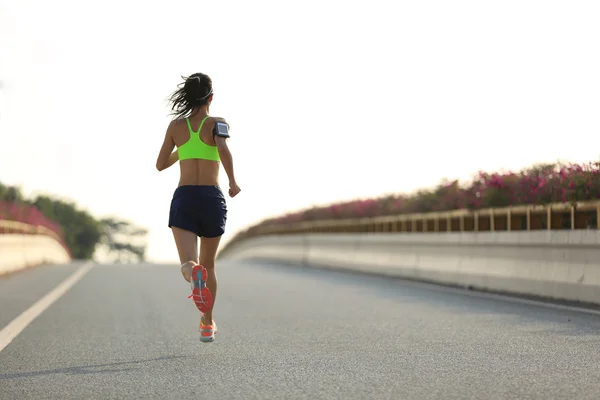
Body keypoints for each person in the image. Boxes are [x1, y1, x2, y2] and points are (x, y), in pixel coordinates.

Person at [155, 72, 241, 343]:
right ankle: (206, 324)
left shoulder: (175, 127)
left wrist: (184, 147)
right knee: (210, 266)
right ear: (211, 97)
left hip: (185, 198)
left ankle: (192, 273)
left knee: (189, 262)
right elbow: (223, 150)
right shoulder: (218, 123)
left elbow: (160, 164)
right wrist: (233, 181)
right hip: (211, 198)